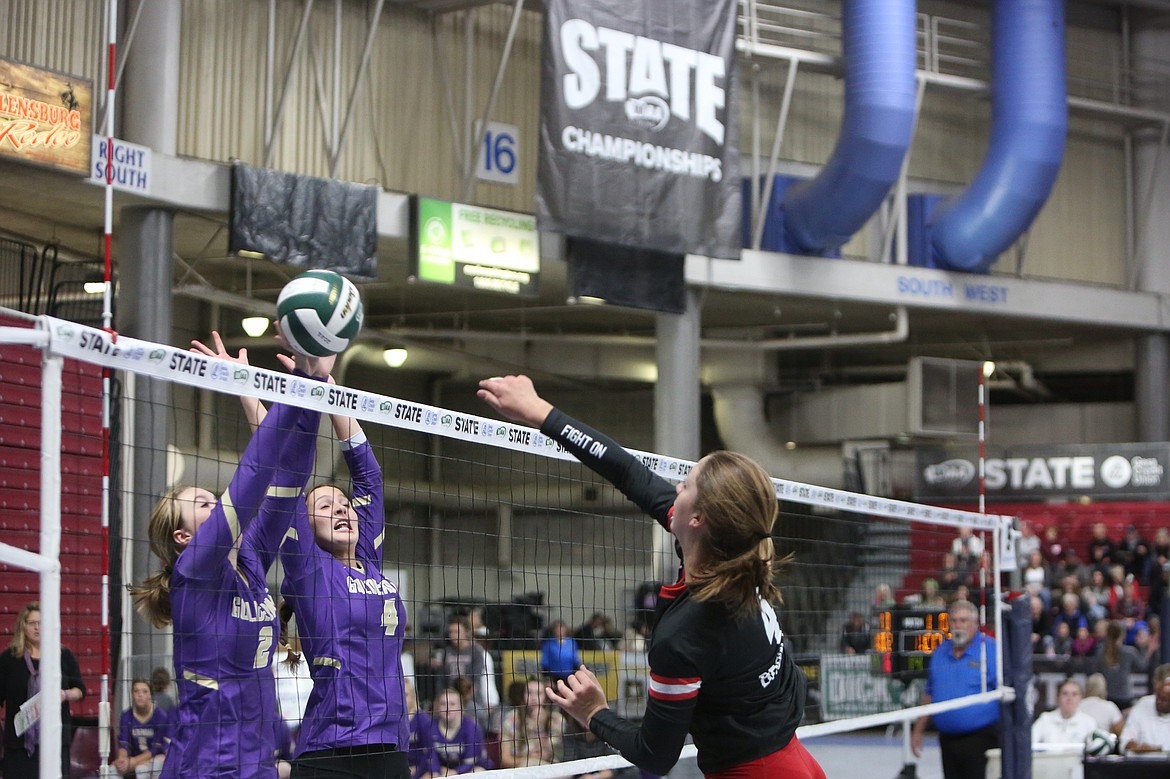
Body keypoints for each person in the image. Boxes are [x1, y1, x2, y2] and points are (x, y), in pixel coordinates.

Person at [477, 374, 825, 778]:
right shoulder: (734, 556)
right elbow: (628, 472)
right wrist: (541, 412)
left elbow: (656, 755)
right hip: (793, 757)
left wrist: (595, 713)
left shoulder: (686, 631)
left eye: (687, 483)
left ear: (698, 519)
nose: (675, 485)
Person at [133, 334, 328, 779]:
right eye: (204, 504)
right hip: (204, 768)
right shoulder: (194, 569)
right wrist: (293, 378)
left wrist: (314, 384)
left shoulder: (251, 561)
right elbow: (254, 474)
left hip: (254, 765)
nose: (217, 503)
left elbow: (291, 477)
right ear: (184, 536)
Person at [274, 393, 410, 778]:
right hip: (333, 750)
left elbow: (369, 477)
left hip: (390, 744)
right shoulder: (311, 570)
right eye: (324, 507)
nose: (339, 508)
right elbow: (284, 478)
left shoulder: (370, 558)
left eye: (344, 503)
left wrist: (334, 396)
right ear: (308, 527)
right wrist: (254, 398)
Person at [910, 599, 999, 779]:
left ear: (975, 624)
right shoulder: (940, 652)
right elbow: (930, 692)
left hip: (981, 739)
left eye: (964, 621)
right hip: (947, 739)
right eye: (954, 621)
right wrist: (918, 730)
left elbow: (1006, 692)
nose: (958, 625)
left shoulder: (990, 649)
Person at [0, 601, 86, 778]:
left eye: (42, 623)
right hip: (19, 746)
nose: (37, 628)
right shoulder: (9, 659)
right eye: (32, 623)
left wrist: (64, 694)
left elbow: (80, 690)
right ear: (23, 626)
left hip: (55, 743)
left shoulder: (62, 655)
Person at [431, 617, 496, 732]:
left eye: (457, 632)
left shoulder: (476, 652)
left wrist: (464, 698)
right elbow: (440, 680)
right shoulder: (446, 652)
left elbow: (476, 678)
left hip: (470, 699)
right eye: (451, 632)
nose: (453, 635)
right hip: (449, 700)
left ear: (466, 632)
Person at [418, 687, 493, 775]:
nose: (447, 708)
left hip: (471, 769)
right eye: (443, 704)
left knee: (478, 771)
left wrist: (454, 773)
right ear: (438, 707)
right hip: (444, 771)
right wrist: (439, 771)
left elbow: (470, 762)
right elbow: (432, 759)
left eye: (452, 704)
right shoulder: (430, 727)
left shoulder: (471, 727)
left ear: (460, 706)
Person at [498, 678, 563, 769]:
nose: (533, 698)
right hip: (522, 769)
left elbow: (563, 754)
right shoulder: (511, 719)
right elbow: (505, 759)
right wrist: (529, 758)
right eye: (529, 693)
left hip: (551, 769)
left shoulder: (557, 720)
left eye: (538, 693)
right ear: (523, 695)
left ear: (545, 696)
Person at [113, 678, 170, 778]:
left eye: (144, 691)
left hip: (155, 758)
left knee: (141, 770)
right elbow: (124, 743)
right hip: (133, 758)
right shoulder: (126, 715)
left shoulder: (161, 716)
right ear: (132, 694)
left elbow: (155, 749)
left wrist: (134, 761)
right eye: (136, 691)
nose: (140, 695)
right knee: (112, 770)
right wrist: (122, 759)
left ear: (150, 695)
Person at [1092, 620, 1150, 711]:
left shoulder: (1100, 652)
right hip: (1124, 698)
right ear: (1122, 634)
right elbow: (1143, 666)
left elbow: (1096, 671)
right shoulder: (1129, 652)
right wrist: (1149, 650)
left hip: (1107, 697)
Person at [1119, 663, 1170, 753]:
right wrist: (1136, 747)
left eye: (1164, 699)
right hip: (1145, 765)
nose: (1158, 702)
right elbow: (1125, 741)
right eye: (1157, 696)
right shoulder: (1143, 704)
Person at [1031, 679, 1097, 746]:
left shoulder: (1089, 722)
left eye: (1074, 694)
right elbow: (1030, 743)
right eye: (1065, 694)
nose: (1069, 698)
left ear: (1080, 698)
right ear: (1058, 697)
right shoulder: (1045, 719)